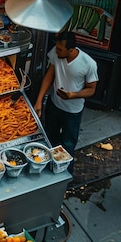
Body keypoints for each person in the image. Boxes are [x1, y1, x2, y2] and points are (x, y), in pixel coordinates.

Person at [34, 31, 98, 173]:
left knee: (68, 144)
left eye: (60, 50)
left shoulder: (89, 64)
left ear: (71, 50)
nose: (56, 52)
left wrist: (73, 95)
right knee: (50, 139)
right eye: (56, 48)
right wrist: (39, 101)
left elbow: (91, 90)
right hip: (54, 105)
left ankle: (65, 174)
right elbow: (49, 76)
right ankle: (45, 170)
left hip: (72, 112)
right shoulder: (56, 53)